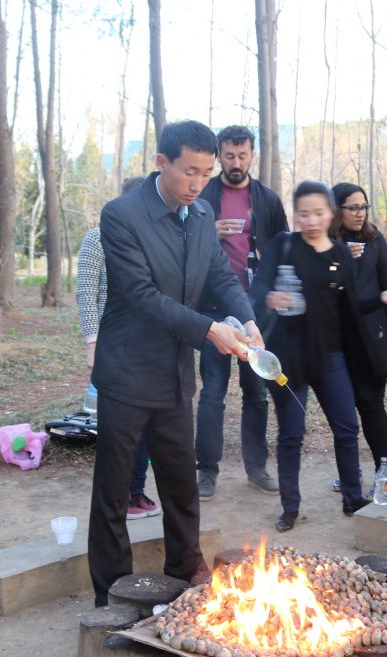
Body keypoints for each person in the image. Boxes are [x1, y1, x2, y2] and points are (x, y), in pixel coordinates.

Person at [88, 121, 260, 607]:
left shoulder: (201, 214)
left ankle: (185, 569)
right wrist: (209, 330)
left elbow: (220, 276)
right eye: (189, 171)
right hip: (126, 371)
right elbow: (140, 295)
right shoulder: (122, 215)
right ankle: (112, 592)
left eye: (206, 173)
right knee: (114, 490)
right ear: (161, 162)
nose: (198, 183)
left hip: (174, 375)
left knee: (181, 482)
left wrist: (247, 319)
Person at [250, 180, 387, 533]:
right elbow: (257, 289)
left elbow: (350, 305)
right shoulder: (283, 245)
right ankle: (290, 507)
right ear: (296, 214)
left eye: (318, 213)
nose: (311, 221)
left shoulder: (339, 253)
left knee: (346, 427)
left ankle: (352, 497)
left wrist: (380, 299)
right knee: (291, 434)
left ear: (330, 214)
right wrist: (270, 298)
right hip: (288, 359)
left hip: (329, 356)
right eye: (304, 214)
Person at [195, 125, 288, 501]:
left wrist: (277, 291)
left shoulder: (267, 199)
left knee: (257, 393)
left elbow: (283, 248)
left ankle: (256, 468)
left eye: (242, 155)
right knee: (212, 394)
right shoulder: (203, 195)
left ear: (252, 155)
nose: (236, 163)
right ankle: (206, 471)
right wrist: (211, 232)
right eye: (230, 156)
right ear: (220, 155)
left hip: (256, 311)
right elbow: (184, 244)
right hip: (213, 309)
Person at [76, 176, 159, 521]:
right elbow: (86, 292)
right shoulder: (97, 238)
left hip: (149, 350)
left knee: (147, 425)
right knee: (119, 427)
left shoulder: (152, 241)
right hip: (112, 349)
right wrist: (92, 342)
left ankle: (136, 490)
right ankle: (118, 496)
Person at [331, 182, 387, 492]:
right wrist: (339, 257)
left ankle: (382, 473)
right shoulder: (325, 244)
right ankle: (351, 475)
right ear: (337, 209)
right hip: (336, 339)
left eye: (363, 207)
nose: (360, 213)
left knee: (372, 405)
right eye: (352, 207)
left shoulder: (375, 241)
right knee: (343, 411)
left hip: (371, 337)